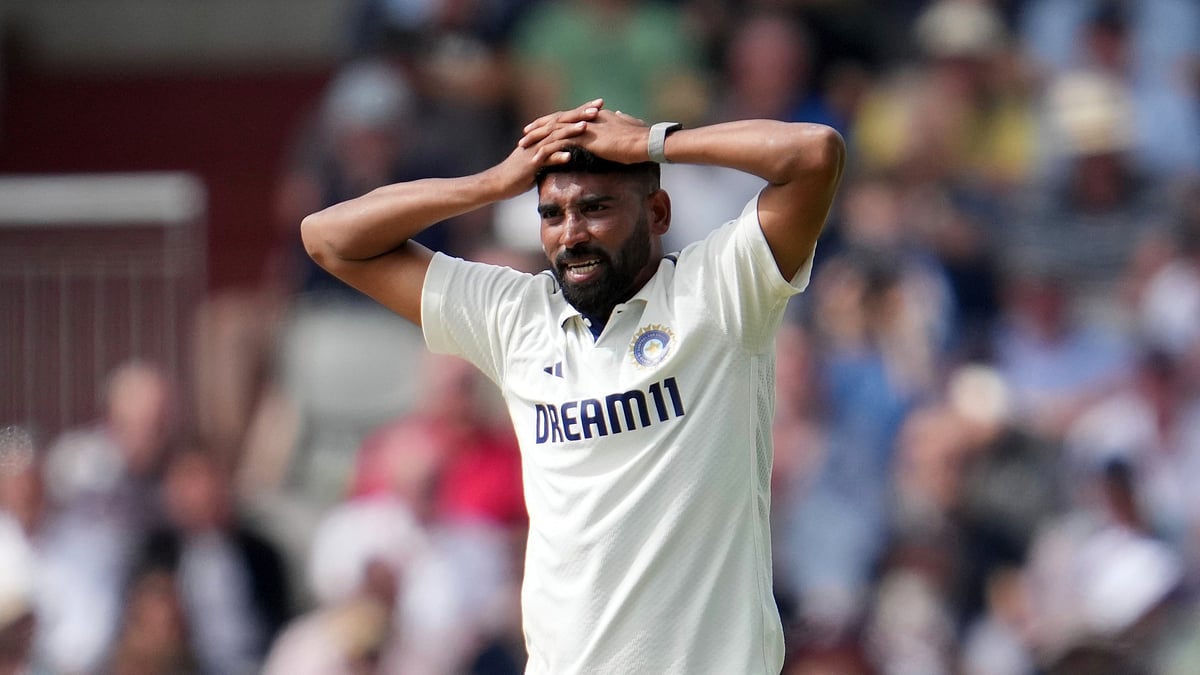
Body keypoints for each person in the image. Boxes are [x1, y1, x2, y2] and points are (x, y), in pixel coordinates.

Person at [301, 99, 845, 673]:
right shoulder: (516, 318)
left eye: (596, 208)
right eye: (552, 214)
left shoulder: (721, 292)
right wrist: (491, 183)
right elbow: (328, 237)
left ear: (657, 212)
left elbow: (815, 154)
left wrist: (653, 144)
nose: (571, 234)